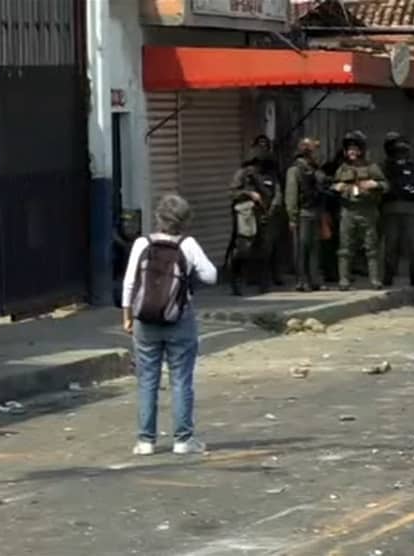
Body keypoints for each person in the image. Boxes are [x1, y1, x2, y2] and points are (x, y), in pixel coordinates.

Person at [122, 194, 217, 456]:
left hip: (145, 320)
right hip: (180, 319)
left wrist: (127, 316)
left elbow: (129, 283)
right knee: (181, 380)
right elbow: (211, 276)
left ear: (158, 218)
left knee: (147, 380)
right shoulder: (188, 245)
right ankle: (183, 440)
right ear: (185, 221)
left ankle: (145, 442)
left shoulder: (142, 242)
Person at [333, 130, 388, 290]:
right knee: (345, 247)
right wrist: (338, 187)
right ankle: (344, 280)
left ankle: (375, 280)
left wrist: (375, 184)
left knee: (371, 247)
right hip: (348, 211)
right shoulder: (342, 169)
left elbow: (385, 185)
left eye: (355, 149)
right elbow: (332, 185)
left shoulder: (372, 167)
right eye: (350, 149)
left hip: (367, 211)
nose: (352, 152)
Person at [228, 149, 283, 296]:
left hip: (264, 216)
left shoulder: (270, 175)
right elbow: (232, 193)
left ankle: (263, 285)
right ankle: (235, 280)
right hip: (246, 217)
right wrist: (249, 194)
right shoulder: (243, 174)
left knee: (265, 250)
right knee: (243, 249)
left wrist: (271, 209)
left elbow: (277, 194)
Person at [381, 132, 414, 287]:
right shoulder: (386, 167)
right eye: (398, 151)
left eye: (403, 151)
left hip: (410, 209)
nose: (401, 155)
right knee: (391, 245)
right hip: (391, 209)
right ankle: (388, 276)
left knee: (412, 246)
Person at [285, 137, 327, 292]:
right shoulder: (295, 170)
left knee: (315, 248)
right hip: (303, 214)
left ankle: (315, 280)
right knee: (302, 248)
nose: (316, 152)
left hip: (315, 212)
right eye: (313, 149)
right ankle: (302, 281)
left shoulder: (315, 169)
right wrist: (292, 217)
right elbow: (291, 195)